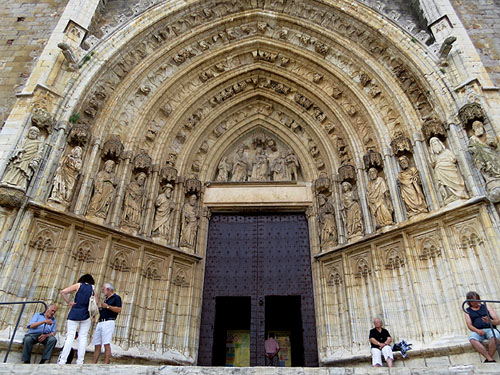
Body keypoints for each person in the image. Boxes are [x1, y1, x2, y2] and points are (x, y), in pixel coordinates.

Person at [57, 274, 98, 365]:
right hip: (86, 315)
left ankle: (62, 360)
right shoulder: (93, 288)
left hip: (74, 312)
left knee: (70, 337)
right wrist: (93, 316)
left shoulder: (78, 285)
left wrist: (69, 302)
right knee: (83, 338)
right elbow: (96, 303)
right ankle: (80, 361)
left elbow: (63, 292)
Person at [429, 137, 468, 204]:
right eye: (432, 143)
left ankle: (459, 193)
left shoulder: (446, 151)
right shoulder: (434, 156)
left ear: (439, 143)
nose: (435, 144)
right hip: (440, 172)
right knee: (444, 184)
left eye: (436, 142)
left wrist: (447, 161)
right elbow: (432, 165)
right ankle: (450, 195)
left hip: (450, 169)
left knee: (455, 180)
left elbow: (453, 159)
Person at [464, 291, 500, 363]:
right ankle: (490, 359)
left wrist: (489, 321)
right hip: (477, 331)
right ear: (470, 302)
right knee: (472, 339)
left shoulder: (486, 306)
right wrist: (478, 331)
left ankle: (488, 359)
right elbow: (469, 325)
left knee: (495, 337)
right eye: (473, 301)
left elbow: (498, 321)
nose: (476, 302)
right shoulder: (467, 311)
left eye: (477, 300)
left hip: (490, 329)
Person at [92, 283, 122, 364]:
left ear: (108, 289)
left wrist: (108, 306)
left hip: (108, 322)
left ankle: (105, 364)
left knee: (106, 344)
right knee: (97, 344)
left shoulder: (116, 298)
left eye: (103, 289)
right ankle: (93, 363)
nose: (102, 291)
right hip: (101, 322)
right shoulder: (106, 299)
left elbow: (119, 309)